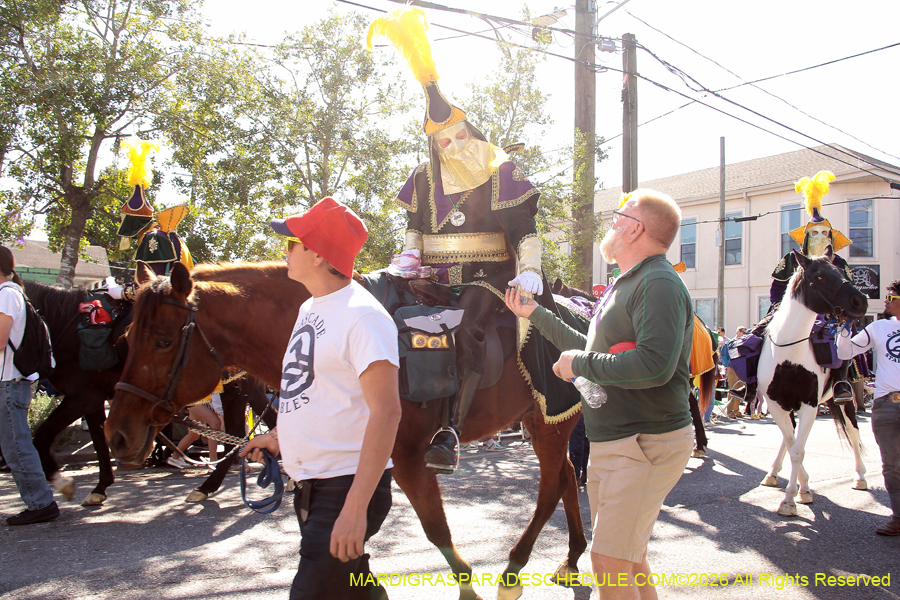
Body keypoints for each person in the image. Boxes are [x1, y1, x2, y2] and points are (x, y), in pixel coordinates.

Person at [368, 8, 548, 470]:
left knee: (464, 324)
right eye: (444, 142)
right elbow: (415, 228)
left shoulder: (501, 170)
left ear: (471, 128)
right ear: (433, 144)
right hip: (430, 272)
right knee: (379, 308)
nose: (455, 146)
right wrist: (408, 255)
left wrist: (530, 269)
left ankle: (450, 431)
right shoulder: (422, 177)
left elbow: (524, 230)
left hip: (490, 274)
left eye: (460, 135)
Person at [505, 189, 694, 599]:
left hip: (644, 443)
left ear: (635, 229)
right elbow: (590, 350)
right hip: (619, 443)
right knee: (630, 560)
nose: (612, 224)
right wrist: (535, 314)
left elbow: (654, 365)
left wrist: (579, 364)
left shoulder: (658, 282)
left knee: (608, 563)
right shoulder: (629, 282)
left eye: (619, 217)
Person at [240, 197, 402, 599]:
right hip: (313, 486)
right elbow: (313, 390)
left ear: (316, 255)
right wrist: (278, 437)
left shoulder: (364, 317)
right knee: (355, 589)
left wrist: (355, 509)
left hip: (345, 490)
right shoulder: (310, 308)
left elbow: (387, 412)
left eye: (292, 243)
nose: (285, 250)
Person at [767, 171, 857, 401]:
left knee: (843, 338)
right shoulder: (791, 259)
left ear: (831, 237)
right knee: (758, 334)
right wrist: (778, 308)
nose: (820, 236)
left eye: (824, 233)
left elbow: (848, 291)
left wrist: (841, 313)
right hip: (792, 312)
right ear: (806, 237)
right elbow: (776, 288)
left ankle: (841, 382)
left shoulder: (838, 262)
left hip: (828, 314)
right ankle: (750, 385)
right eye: (814, 233)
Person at [0, 246, 60, 526]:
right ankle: (40, 502)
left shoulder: (6, 295)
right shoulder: (14, 293)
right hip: (13, 382)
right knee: (15, 444)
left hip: (9, 383)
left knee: (16, 446)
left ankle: (41, 503)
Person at [836, 281, 900, 536]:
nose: (885, 301)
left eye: (891, 297)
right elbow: (845, 353)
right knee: (891, 465)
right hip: (886, 404)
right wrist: (844, 328)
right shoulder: (879, 327)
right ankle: (898, 518)